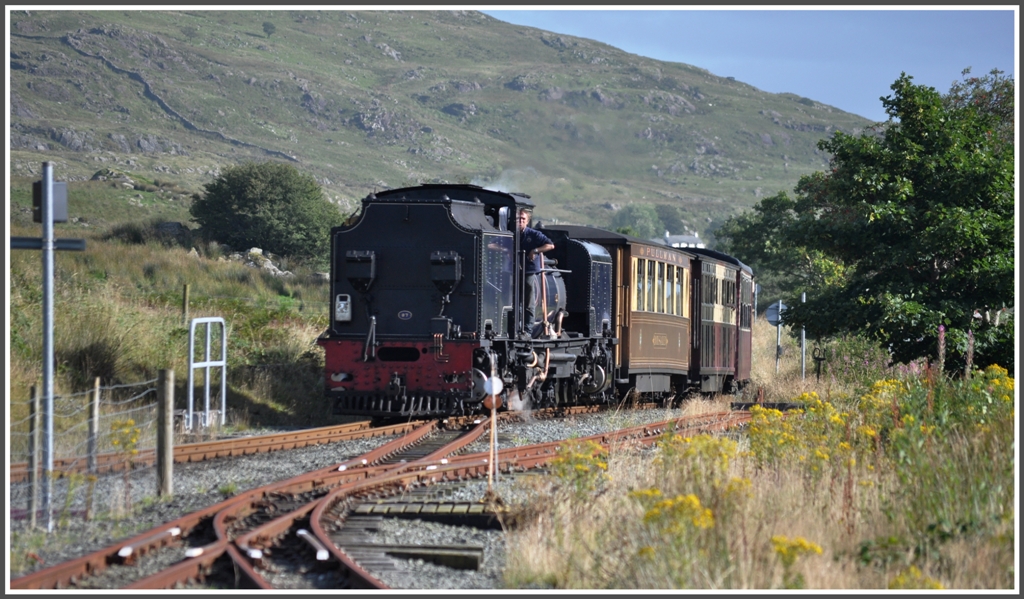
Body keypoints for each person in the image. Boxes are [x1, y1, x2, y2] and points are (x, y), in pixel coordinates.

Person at [517, 208, 554, 331]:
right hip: (512, 271)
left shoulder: (533, 234)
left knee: (528, 302)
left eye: (523, 219)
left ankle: (527, 330)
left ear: (527, 221)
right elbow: (492, 244)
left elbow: (550, 245)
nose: (520, 221)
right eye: (518, 219)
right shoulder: (510, 234)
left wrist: (535, 250)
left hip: (528, 270)